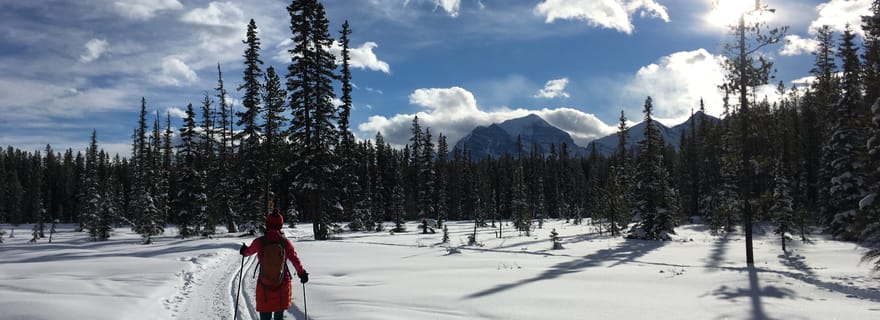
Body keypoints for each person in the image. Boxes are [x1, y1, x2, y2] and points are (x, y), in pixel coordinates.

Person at [240, 209, 308, 320]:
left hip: (264, 284)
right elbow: (295, 260)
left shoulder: (260, 241)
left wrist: (244, 251)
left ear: (267, 224)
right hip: (282, 284)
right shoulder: (285, 243)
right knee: (279, 316)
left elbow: (247, 252)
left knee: (265, 316)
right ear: (280, 225)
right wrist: (302, 274)